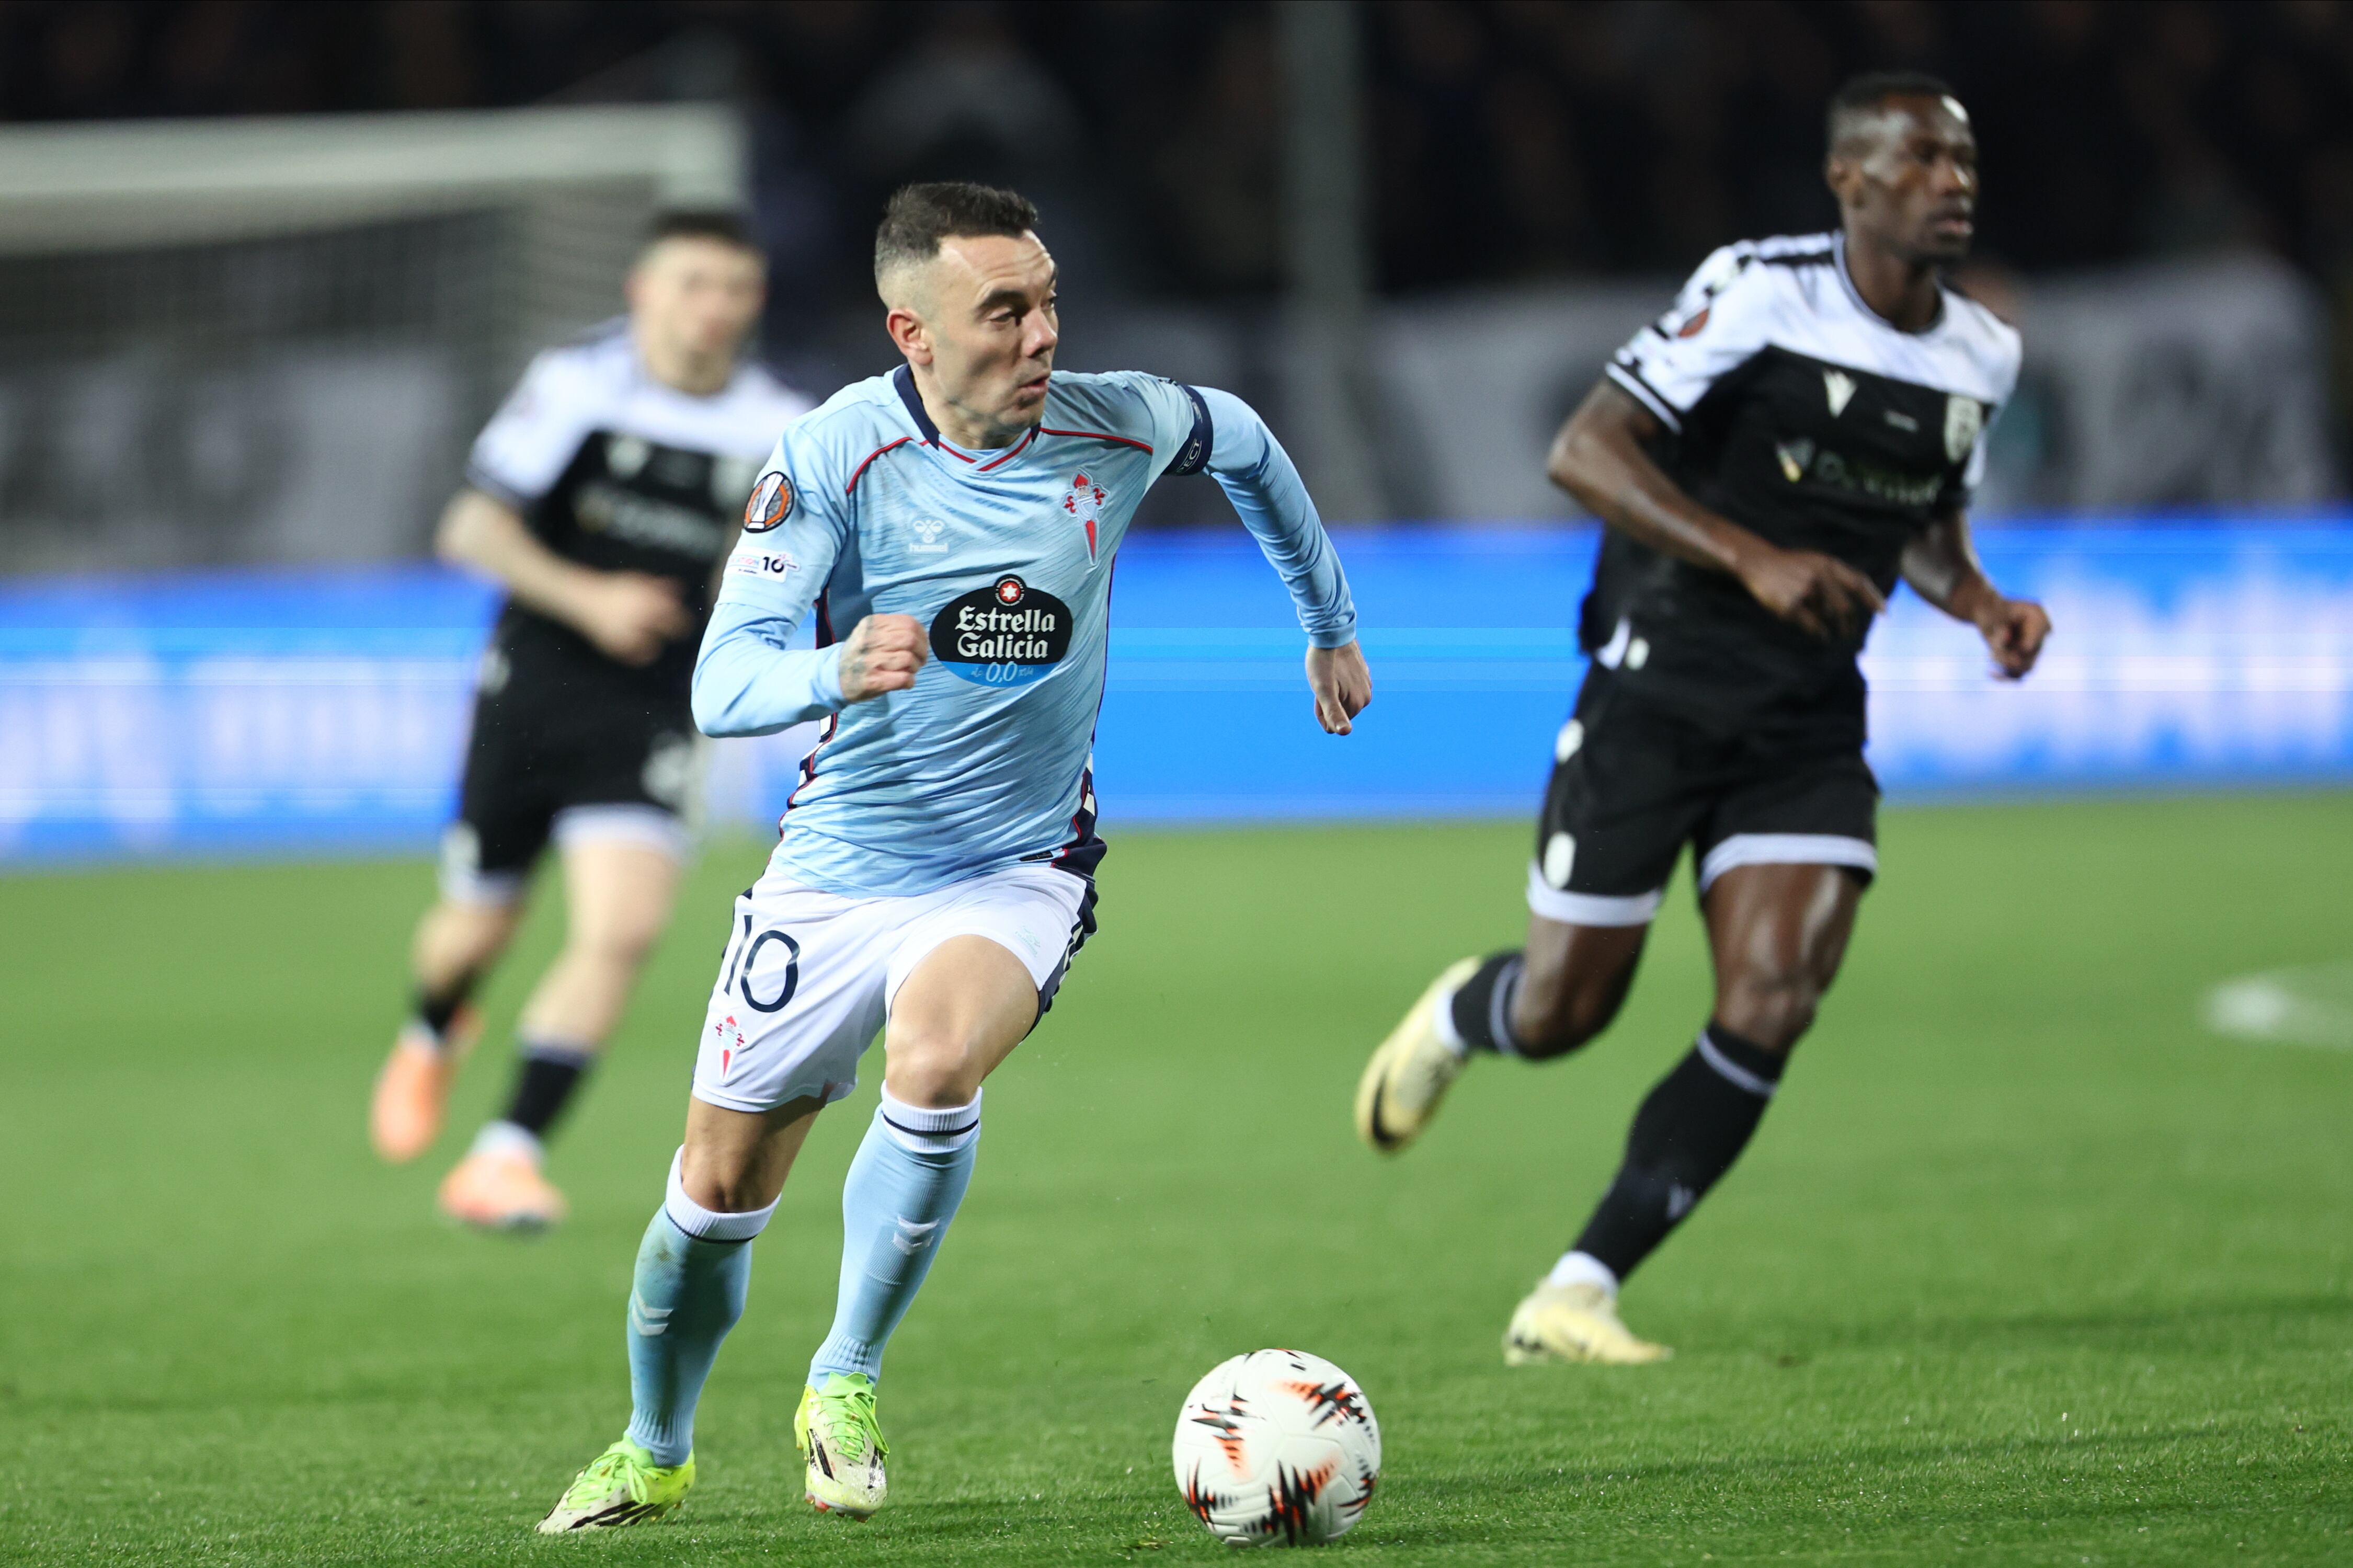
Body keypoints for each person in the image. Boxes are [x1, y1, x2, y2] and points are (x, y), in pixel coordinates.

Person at [536, 181, 1372, 1531]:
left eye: (1048, 302)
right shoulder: (834, 453)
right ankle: (655, 1446)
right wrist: (833, 667)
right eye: (1004, 311)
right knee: (714, 1194)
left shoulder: (1119, 423)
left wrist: (1325, 619)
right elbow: (721, 683)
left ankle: (844, 1379)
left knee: (933, 1060)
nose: (1042, 335)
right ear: (913, 333)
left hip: (1017, 865)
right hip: (837, 870)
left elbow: (1250, 444)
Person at [1353, 72, 2050, 1364]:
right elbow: (1585, 449)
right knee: (1565, 1014)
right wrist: (1752, 558)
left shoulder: (1984, 351)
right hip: (1658, 686)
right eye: (1920, 159)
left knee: (1776, 997)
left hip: (1806, 716)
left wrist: (1980, 601)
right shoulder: (1761, 290)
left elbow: (1925, 522)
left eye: (1962, 159)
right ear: (1849, 180)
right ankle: (1463, 1016)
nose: (1952, 182)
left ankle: (1578, 1290)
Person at [368, 211, 810, 1230]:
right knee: (475, 929)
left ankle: (504, 1156)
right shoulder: (578, 387)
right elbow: (471, 528)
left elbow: (772, 559)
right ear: (643, 292)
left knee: (624, 930)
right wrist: (591, 599)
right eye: (694, 284)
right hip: (533, 685)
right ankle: (433, 1030)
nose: (716, 309)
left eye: (736, 289)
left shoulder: (778, 422)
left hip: (654, 702)